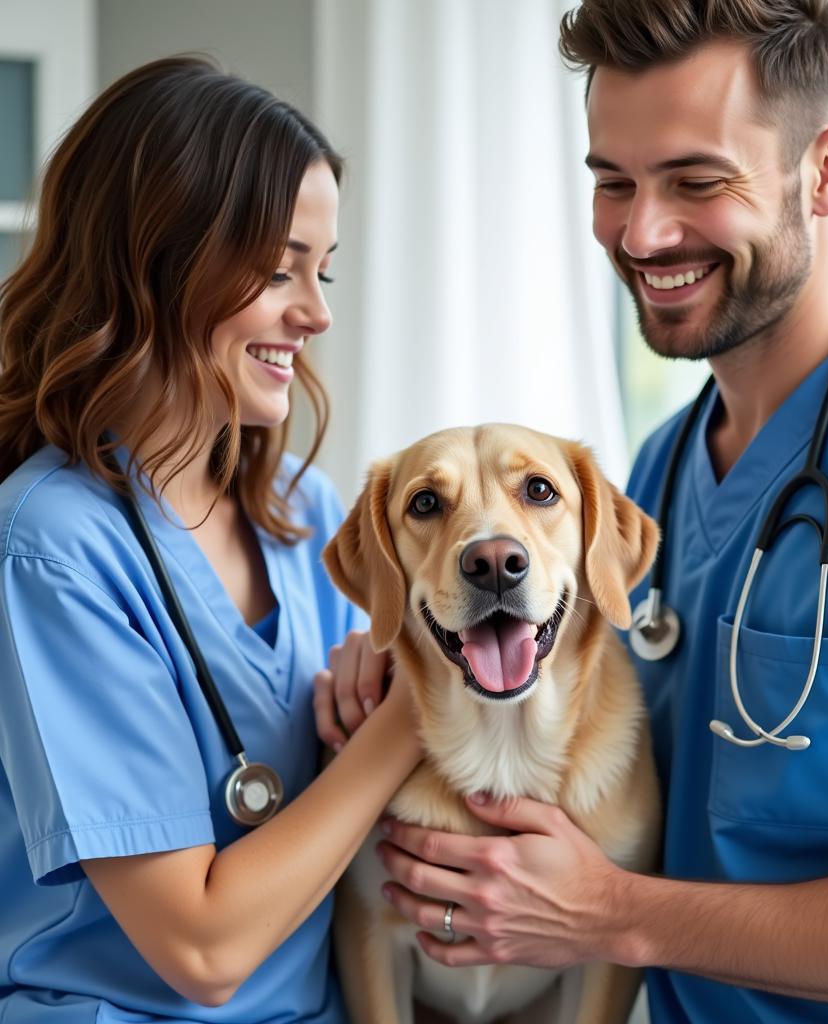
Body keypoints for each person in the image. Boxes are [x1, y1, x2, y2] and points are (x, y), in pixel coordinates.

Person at [327, 2, 828, 1021]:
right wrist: (389, 661)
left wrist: (617, 913)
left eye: (696, 182)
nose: (643, 233)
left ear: (826, 172)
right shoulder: (655, 473)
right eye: (613, 183)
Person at [0, 56, 419, 1023]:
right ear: (157, 261)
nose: (315, 312)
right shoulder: (53, 545)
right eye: (279, 269)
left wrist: (377, 681)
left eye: (324, 269)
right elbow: (204, 947)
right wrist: (413, 718)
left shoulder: (306, 514)